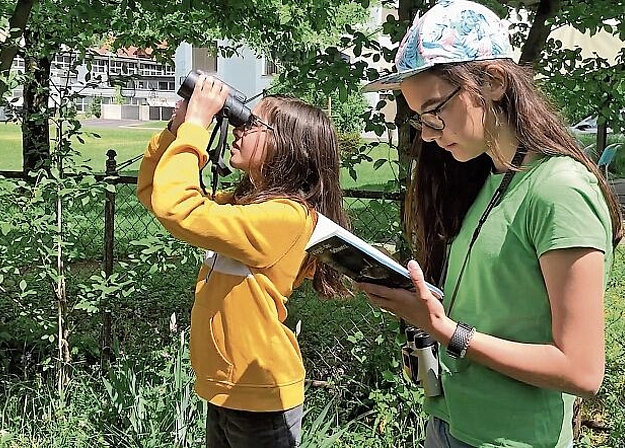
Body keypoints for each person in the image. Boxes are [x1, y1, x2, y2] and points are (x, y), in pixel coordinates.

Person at [360, 1, 623, 447]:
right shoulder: (493, 178)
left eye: (435, 110)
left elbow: (580, 371)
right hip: (450, 424)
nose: (427, 133)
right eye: (419, 118)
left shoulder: (560, 189)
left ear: (494, 82)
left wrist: (448, 332)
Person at [136, 74, 350, 448]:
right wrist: (177, 128)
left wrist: (198, 127)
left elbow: (179, 209)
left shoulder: (284, 218)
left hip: (260, 393)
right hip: (230, 386)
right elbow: (156, 193)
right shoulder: (250, 206)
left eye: (252, 124)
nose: (239, 128)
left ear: (287, 148)